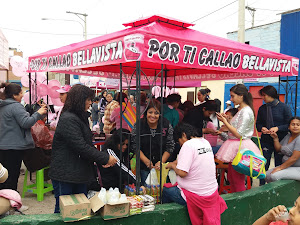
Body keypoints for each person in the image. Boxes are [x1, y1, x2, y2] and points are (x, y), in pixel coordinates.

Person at [49, 84, 117, 213]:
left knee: (81, 211)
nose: (91, 103)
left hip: (78, 172)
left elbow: (87, 144)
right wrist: (105, 158)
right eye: (88, 100)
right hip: (66, 174)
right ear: (79, 100)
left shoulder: (81, 116)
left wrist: (100, 161)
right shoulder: (69, 118)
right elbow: (81, 146)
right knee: (65, 211)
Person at [163, 123, 227, 225]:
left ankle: (166, 220)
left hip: (196, 196)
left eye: (179, 141)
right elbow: (182, 160)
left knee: (166, 190)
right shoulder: (204, 142)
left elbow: (182, 173)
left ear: (183, 135)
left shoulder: (188, 145)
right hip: (212, 194)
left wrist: (172, 166)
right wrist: (170, 163)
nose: (180, 144)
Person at [0, 82, 47, 191]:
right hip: (14, 147)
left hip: (3, 146)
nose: (22, 95)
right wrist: (38, 113)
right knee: (12, 176)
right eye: (21, 93)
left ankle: (4, 201)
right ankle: (12, 203)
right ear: (14, 95)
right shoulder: (16, 107)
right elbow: (26, 122)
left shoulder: (3, 106)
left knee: (3, 177)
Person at [216, 84, 261, 193]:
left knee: (237, 179)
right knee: (232, 177)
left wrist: (226, 122)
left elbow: (239, 134)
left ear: (241, 96)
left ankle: (240, 200)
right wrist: (227, 121)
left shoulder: (245, 111)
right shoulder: (242, 110)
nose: (231, 99)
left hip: (239, 146)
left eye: (233, 96)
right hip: (236, 145)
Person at [131, 100, 175, 185]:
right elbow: (134, 145)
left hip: (162, 165)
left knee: (161, 190)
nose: (153, 116)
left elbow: (170, 145)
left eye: (156, 113)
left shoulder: (165, 124)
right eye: (150, 112)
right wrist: (146, 161)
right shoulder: (139, 125)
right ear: (145, 112)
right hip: (144, 165)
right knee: (147, 189)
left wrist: (161, 162)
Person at [256, 85, 292, 185]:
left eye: (264, 95)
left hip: (281, 140)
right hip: (266, 140)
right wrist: (262, 128)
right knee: (264, 164)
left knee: (279, 164)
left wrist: (278, 128)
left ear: (271, 95)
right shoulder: (262, 108)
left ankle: (276, 186)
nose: (263, 98)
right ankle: (261, 186)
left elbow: (289, 125)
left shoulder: (284, 107)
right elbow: (258, 124)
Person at [265, 117, 300, 182]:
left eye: (298, 125)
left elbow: (294, 158)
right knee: (266, 174)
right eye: (293, 124)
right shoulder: (288, 136)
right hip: (288, 167)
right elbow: (279, 149)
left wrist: (280, 168)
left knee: (274, 176)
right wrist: (275, 138)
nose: (295, 126)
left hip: (298, 168)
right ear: (289, 127)